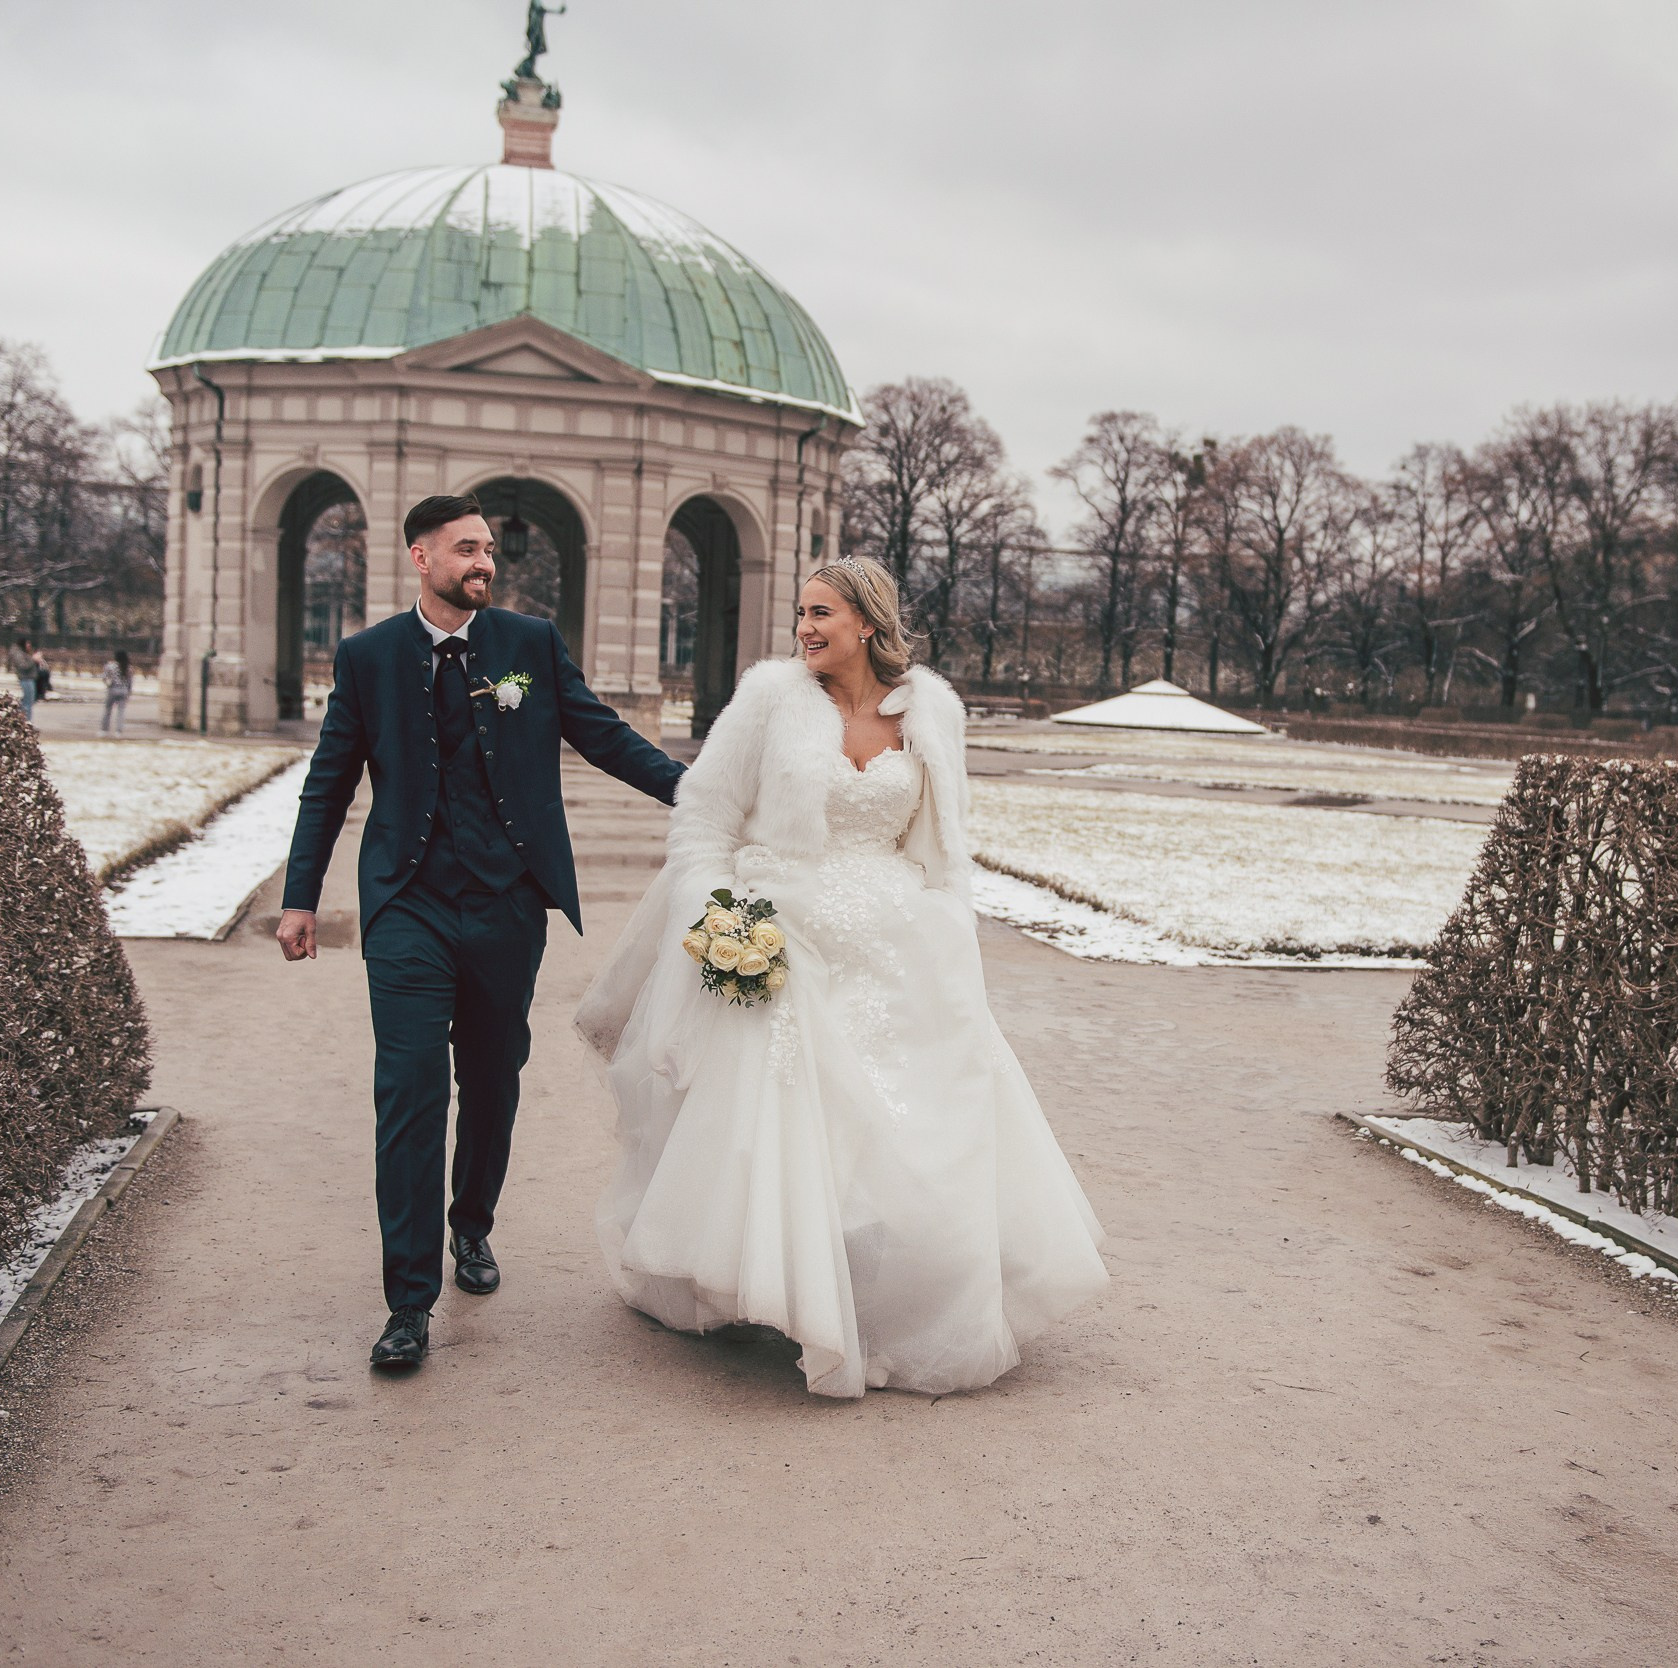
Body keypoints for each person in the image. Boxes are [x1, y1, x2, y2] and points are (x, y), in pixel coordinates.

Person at [578, 557, 1108, 1398]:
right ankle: (787, 1294)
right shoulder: (768, 700)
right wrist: (719, 917)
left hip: (901, 948)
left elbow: (945, 845)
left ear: (869, 621)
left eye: (822, 612)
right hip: (784, 937)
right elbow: (704, 820)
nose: (805, 628)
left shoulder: (932, 711)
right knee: (789, 1126)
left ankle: (888, 1303)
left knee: (914, 1127)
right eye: (800, 612)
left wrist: (947, 935)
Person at [278, 493, 684, 1371]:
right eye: (466, 549)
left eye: (490, 550)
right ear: (419, 557)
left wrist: (702, 794)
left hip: (505, 903)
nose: (484, 563)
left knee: (493, 1080)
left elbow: (605, 737)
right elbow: (329, 781)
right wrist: (300, 895)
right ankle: (407, 1304)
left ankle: (473, 1225)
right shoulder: (368, 658)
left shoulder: (528, 648)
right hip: (407, 907)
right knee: (410, 1094)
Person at [7, 637, 44, 722]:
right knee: (28, 702)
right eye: (27, 643)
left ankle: (23, 718)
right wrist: (33, 659)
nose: (29, 646)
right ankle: (26, 721)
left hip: (29, 678)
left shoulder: (23, 652)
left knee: (29, 701)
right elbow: (23, 666)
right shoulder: (18, 653)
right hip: (25, 679)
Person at [100, 648, 133, 735]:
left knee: (108, 710)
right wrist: (129, 692)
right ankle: (118, 731)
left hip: (113, 689)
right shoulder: (128, 668)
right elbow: (130, 682)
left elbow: (104, 677)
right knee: (121, 712)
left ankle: (104, 730)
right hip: (124, 690)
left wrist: (108, 685)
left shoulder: (110, 666)